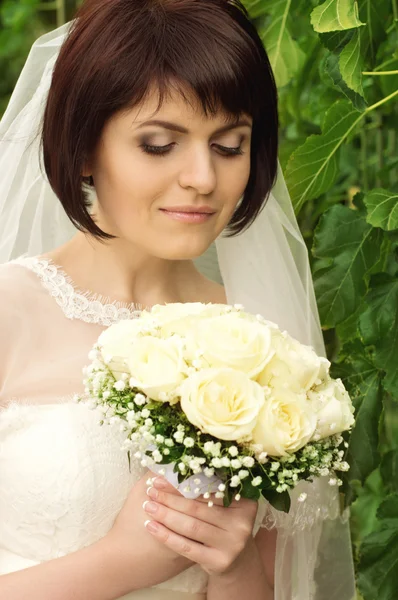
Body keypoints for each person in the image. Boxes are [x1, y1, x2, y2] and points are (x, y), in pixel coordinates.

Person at [0, 1, 356, 599]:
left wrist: (234, 566)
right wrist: (127, 561)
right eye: (160, 145)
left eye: (229, 145)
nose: (202, 178)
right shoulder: (10, 311)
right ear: (85, 147)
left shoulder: (263, 356)